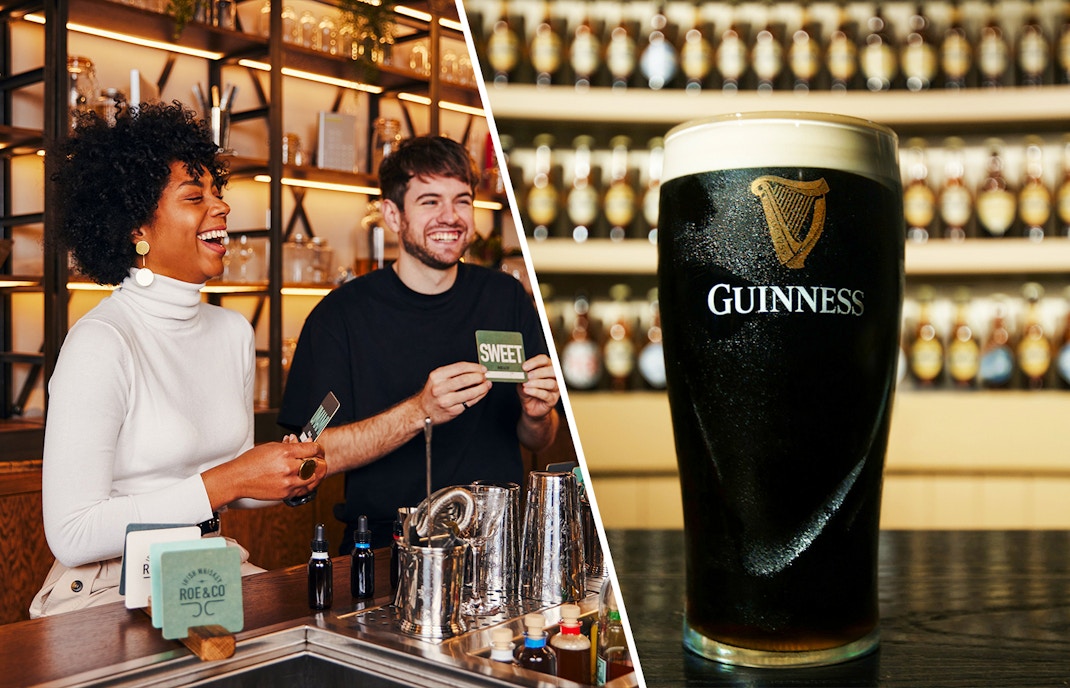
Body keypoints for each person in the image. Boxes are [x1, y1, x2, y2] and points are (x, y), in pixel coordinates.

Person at [30, 101, 326, 617]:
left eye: (218, 193)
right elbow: (72, 534)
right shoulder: (101, 342)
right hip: (111, 587)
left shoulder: (233, 332)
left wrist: (283, 476)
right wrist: (230, 481)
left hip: (205, 567)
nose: (221, 208)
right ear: (136, 229)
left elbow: (226, 484)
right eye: (194, 197)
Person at [278, 135, 561, 551]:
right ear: (393, 215)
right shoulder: (339, 316)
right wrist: (420, 411)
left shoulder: (506, 298)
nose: (451, 217)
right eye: (430, 201)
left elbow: (539, 438)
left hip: (498, 547)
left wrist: (538, 415)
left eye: (462, 200)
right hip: (382, 551)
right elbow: (310, 456)